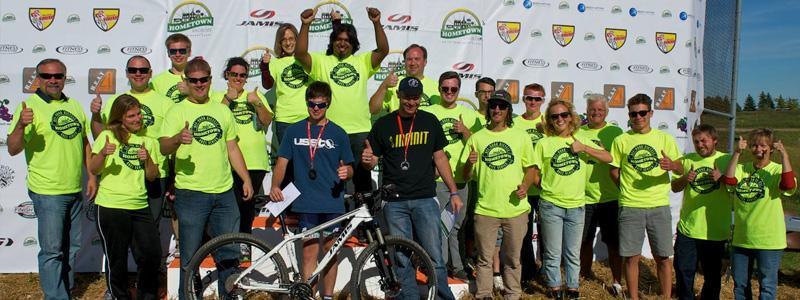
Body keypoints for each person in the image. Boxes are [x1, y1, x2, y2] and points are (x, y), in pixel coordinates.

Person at [159, 58, 253, 299]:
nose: (199, 84)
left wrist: (245, 178)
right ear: (186, 82)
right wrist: (178, 139)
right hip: (191, 194)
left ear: (211, 80)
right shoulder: (176, 111)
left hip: (224, 194)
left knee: (229, 254)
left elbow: (232, 148)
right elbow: (162, 148)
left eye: (204, 79)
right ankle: (189, 296)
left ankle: (228, 296)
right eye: (194, 80)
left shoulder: (222, 110)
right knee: (190, 257)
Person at [361, 77, 463, 300]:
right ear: (398, 95)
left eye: (415, 98)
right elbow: (371, 161)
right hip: (394, 202)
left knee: (434, 255)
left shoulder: (429, 121)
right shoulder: (384, 124)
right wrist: (367, 159)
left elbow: (440, 158)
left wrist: (454, 191)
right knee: (401, 257)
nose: (411, 102)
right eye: (407, 97)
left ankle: (442, 297)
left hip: (425, 199)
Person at [7, 58, 96, 300]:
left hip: (75, 189)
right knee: (52, 251)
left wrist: (91, 176)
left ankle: (63, 291)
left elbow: (84, 142)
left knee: (72, 248)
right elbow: (13, 149)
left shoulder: (75, 105)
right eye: (47, 76)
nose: (53, 80)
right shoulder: (29, 107)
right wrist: (20, 127)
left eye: (58, 76)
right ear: (37, 78)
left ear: (65, 77)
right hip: (47, 192)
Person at [270, 81, 353, 300]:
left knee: (330, 254)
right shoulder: (294, 130)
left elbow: (350, 166)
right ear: (306, 103)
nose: (316, 109)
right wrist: (275, 186)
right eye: (312, 104)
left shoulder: (338, 133)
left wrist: (348, 172)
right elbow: (281, 163)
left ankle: (327, 297)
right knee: (308, 255)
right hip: (306, 203)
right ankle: (307, 296)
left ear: (328, 104)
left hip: (332, 203)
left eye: (321, 105)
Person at [296, 7, 389, 193]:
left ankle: (361, 221)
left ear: (353, 43)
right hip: (330, 130)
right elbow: (299, 54)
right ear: (332, 42)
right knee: (333, 179)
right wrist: (305, 25)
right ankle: (334, 218)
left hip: (360, 131)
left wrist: (377, 22)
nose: (342, 43)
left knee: (362, 181)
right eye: (338, 39)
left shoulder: (362, 61)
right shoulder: (322, 61)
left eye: (347, 40)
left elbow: (383, 50)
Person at [532, 100, 611, 299]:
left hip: (576, 205)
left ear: (571, 116)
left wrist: (584, 148)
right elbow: (534, 173)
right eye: (554, 116)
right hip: (551, 205)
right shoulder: (544, 143)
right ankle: (554, 287)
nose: (560, 119)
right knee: (552, 252)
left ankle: (573, 287)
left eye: (564, 115)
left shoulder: (581, 138)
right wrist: (549, 188)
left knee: (572, 252)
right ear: (549, 120)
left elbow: (608, 157)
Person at [461, 90, 535, 300]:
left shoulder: (521, 136)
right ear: (488, 109)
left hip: (515, 209)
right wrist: (469, 163)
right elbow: (466, 176)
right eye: (493, 106)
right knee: (484, 258)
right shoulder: (477, 138)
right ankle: (484, 294)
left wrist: (525, 186)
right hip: (486, 209)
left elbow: (531, 169)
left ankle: (513, 294)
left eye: (502, 106)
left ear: (508, 111)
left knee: (512, 258)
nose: (497, 110)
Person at [610, 94, 682, 300]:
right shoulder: (621, 140)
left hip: (658, 205)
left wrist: (672, 165)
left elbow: (680, 167)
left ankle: (666, 297)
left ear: (651, 113)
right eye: (634, 114)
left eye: (642, 113)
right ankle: (633, 297)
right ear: (629, 115)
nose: (638, 117)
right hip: (630, 206)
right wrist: (626, 189)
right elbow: (614, 171)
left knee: (663, 258)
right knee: (631, 258)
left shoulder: (664, 138)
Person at [89, 95, 161, 300]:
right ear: (120, 119)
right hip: (111, 206)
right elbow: (93, 168)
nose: (137, 118)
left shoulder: (147, 140)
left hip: (139, 204)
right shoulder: (106, 136)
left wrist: (147, 161)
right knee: (116, 259)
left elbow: (152, 176)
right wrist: (102, 154)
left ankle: (146, 295)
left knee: (151, 254)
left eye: (138, 114)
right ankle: (119, 296)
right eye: (131, 116)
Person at [90, 55, 174, 225]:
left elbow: (172, 143)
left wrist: (174, 177)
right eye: (133, 70)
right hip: (124, 174)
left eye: (143, 70)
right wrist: (96, 115)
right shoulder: (116, 100)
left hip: (155, 173)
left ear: (150, 73)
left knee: (150, 230)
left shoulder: (166, 103)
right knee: (123, 232)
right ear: (127, 74)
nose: (138, 74)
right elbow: (101, 136)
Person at [421, 71, 482, 280]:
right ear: (439, 89)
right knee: (439, 226)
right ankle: (443, 267)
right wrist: (431, 164)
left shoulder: (470, 115)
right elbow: (420, 144)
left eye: (453, 89)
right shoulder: (427, 112)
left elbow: (482, 144)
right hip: (437, 179)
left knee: (456, 226)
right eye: (445, 88)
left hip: (462, 179)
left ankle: (454, 265)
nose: (449, 92)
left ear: (459, 90)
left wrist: (466, 132)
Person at [723, 128, 795, 300]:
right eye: (754, 145)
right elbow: (729, 181)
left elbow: (787, 185)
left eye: (763, 145)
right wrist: (737, 153)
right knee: (740, 285)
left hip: (768, 241)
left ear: (771, 148)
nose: (758, 149)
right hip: (742, 239)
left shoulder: (777, 170)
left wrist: (784, 155)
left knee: (767, 286)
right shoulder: (743, 169)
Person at [212, 57, 273, 234]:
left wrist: (257, 103)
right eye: (234, 74)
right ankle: (228, 243)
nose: (238, 78)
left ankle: (244, 243)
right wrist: (228, 100)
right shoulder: (216, 97)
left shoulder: (254, 94)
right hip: (227, 161)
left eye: (242, 75)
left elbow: (267, 120)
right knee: (229, 207)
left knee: (246, 205)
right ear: (227, 75)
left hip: (255, 162)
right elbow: (214, 122)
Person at [671, 124, 731, 300]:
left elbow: (735, 186)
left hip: (714, 230)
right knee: (683, 269)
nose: (700, 145)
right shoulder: (687, 160)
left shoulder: (726, 160)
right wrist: (685, 179)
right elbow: (675, 187)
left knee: (712, 275)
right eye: (696, 142)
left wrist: (723, 178)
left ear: (714, 141)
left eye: (704, 141)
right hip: (688, 228)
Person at [577, 94, 624, 294]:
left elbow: (617, 160)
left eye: (600, 110)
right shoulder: (577, 132)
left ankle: (616, 281)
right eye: (592, 109)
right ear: (586, 111)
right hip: (583, 196)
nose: (596, 113)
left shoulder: (615, 132)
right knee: (584, 241)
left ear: (606, 112)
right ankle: (585, 275)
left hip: (609, 197)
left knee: (614, 243)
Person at [512, 83, 547, 282]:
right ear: (524, 100)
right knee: (523, 235)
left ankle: (546, 272)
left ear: (543, 101)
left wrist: (548, 131)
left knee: (547, 235)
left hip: (544, 188)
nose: (533, 102)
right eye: (529, 98)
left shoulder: (550, 122)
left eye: (537, 99)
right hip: (523, 188)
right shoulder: (515, 123)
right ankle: (527, 273)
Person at [260, 23, 310, 142]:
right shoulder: (275, 63)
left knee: (307, 159)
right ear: (280, 43)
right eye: (284, 40)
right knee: (287, 160)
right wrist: (265, 67)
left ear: (298, 39)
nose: (288, 43)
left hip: (307, 118)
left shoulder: (307, 60)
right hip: (284, 121)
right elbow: (267, 85)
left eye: (291, 39)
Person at [370, 44, 440, 115]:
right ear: (404, 62)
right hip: (398, 125)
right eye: (409, 59)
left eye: (417, 59)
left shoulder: (437, 87)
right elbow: (372, 110)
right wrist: (383, 86)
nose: (412, 63)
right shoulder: (393, 83)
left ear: (425, 62)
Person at [152, 33, 192, 103]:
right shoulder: (156, 81)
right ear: (168, 53)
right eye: (173, 51)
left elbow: (207, 103)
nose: (177, 54)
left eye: (182, 51)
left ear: (189, 52)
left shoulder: (199, 78)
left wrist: (191, 93)